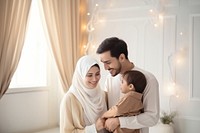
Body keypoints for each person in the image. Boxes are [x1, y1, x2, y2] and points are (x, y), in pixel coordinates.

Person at [96, 37, 160, 133]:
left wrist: (120, 121)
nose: (105, 68)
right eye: (103, 63)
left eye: (108, 62)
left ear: (122, 57)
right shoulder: (110, 79)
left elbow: (152, 117)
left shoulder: (148, 79)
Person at [60, 55, 108, 133]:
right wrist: (94, 128)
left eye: (97, 74)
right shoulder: (69, 99)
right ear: (81, 76)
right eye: (89, 75)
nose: (94, 79)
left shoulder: (103, 95)